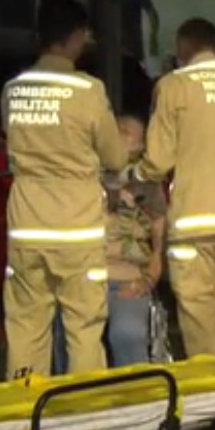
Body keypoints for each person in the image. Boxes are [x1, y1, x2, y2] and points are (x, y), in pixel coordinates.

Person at [2, 0, 128, 380]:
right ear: (75, 36)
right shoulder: (88, 91)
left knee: (25, 327)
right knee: (84, 328)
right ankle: (83, 416)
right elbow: (116, 158)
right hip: (76, 229)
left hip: (26, 227)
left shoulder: (13, 90)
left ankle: (25, 412)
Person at [131, 17, 215, 359]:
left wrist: (135, 175)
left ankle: (211, 398)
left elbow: (158, 160)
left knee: (199, 315)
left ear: (183, 47)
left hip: (194, 220)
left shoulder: (174, 86)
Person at [52, 115, 167, 372]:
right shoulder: (84, 179)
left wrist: (146, 281)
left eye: (125, 132)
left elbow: (158, 245)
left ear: (139, 147)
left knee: (126, 333)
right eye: (112, 130)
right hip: (85, 279)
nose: (115, 136)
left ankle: (138, 400)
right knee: (73, 337)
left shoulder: (147, 188)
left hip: (127, 280)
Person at [71, 0, 160, 64]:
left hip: (109, 48)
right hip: (122, 47)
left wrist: (154, 38)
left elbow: (151, 13)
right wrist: (154, 38)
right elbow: (152, 13)